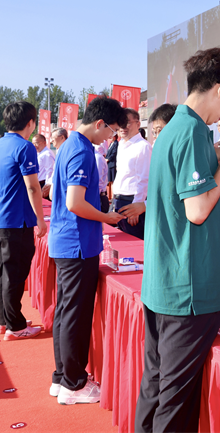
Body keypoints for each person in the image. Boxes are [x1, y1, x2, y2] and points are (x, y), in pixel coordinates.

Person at [135, 47, 220, 433]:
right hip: (187, 291)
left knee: (155, 386)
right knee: (175, 401)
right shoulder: (192, 131)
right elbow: (198, 210)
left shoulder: (173, 128)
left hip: (165, 282)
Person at [49, 96, 126, 405]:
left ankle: (62, 377)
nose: (110, 138)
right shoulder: (81, 151)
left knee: (66, 313)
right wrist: (106, 217)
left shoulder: (69, 145)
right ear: (99, 123)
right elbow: (75, 203)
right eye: (111, 131)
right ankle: (74, 383)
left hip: (68, 241)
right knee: (75, 316)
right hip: (77, 244)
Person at [0, 101, 46, 341]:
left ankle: (6, 320)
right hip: (15, 220)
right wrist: (40, 219)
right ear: (31, 123)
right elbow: (33, 187)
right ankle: (15, 326)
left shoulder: (0, 143)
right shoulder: (25, 146)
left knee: (4, 272)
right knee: (14, 273)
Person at [111, 108, 152, 239]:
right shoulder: (121, 144)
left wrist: (136, 207)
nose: (123, 127)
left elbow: (144, 179)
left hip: (132, 202)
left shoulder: (143, 146)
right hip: (119, 200)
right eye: (120, 123)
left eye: (127, 123)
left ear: (138, 124)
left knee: (135, 242)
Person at [94, 143, 110, 213]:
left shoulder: (97, 158)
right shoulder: (94, 157)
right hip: (97, 197)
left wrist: (94, 199)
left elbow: (98, 181)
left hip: (99, 198)